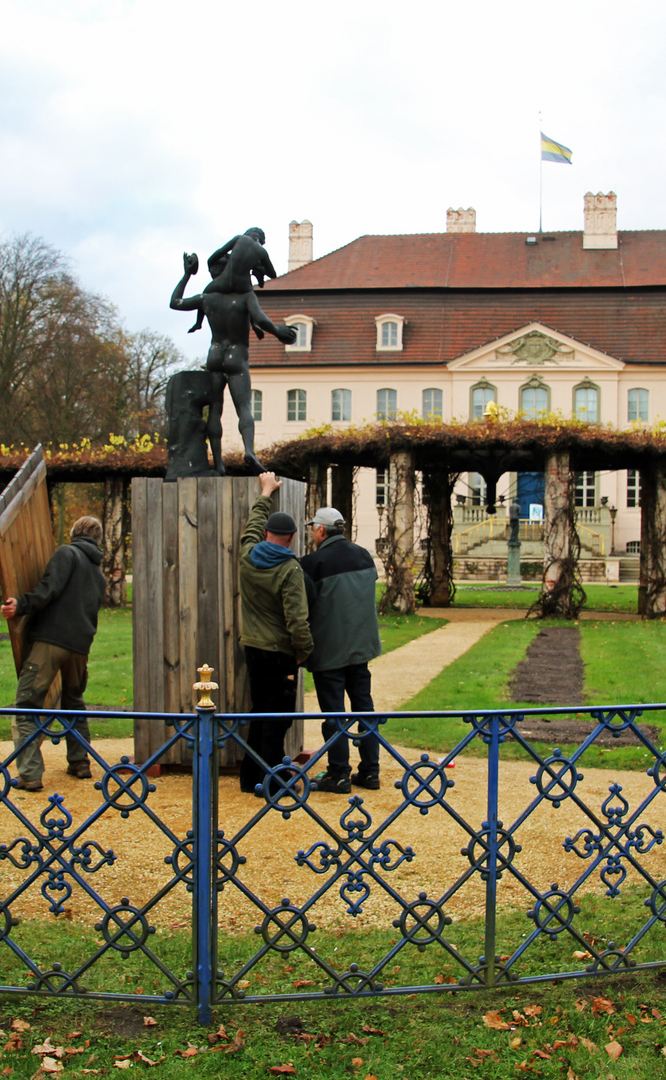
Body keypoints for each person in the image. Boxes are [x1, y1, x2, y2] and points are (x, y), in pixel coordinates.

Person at [0, 516, 107, 791]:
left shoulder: (66, 553)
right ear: (98, 539)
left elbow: (49, 589)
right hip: (80, 649)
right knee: (74, 702)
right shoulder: (98, 574)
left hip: (50, 642)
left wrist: (20, 605)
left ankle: (30, 775)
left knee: (26, 706)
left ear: (73, 533)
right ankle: (80, 762)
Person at [170, 243, 297, 474]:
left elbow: (175, 303)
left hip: (215, 354)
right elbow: (262, 319)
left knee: (216, 409)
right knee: (244, 408)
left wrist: (187, 274)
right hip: (237, 356)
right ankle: (249, 450)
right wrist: (278, 331)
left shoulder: (207, 297)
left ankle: (218, 463)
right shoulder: (245, 296)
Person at [237, 472, 313, 798]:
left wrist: (265, 492)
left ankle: (249, 776)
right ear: (293, 538)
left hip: (252, 648)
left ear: (268, 534)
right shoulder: (290, 569)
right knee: (278, 717)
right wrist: (303, 652)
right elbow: (298, 620)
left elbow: (253, 524)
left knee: (258, 712)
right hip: (280, 652)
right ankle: (274, 782)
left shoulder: (248, 556)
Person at [300, 507, 383, 794]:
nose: (312, 532)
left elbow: (305, 605)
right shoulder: (364, 555)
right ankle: (371, 772)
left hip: (330, 651)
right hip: (361, 648)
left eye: (313, 528)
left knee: (334, 713)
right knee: (365, 708)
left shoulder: (312, 563)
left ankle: (339, 774)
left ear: (321, 530)